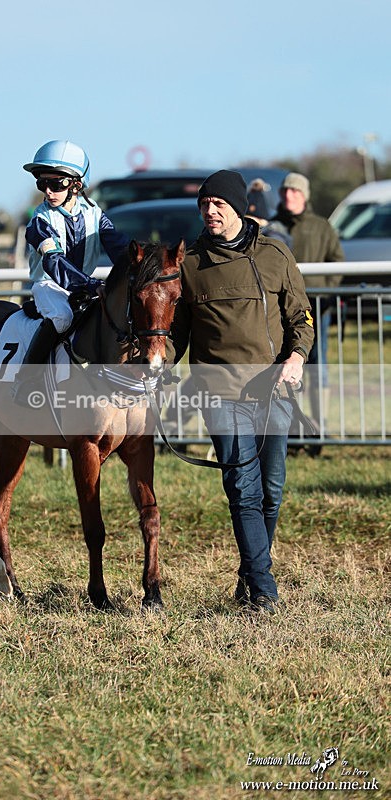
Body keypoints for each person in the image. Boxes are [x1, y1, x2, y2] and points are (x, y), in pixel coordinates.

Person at [170, 170, 314, 613]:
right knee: (243, 490)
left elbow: (301, 317)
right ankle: (265, 591)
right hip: (219, 393)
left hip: (274, 391)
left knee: (271, 490)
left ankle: (250, 573)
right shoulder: (189, 264)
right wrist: (153, 370)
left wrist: (297, 357)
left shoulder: (275, 254)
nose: (209, 211)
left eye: (218, 204)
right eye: (204, 204)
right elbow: (175, 335)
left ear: (239, 207)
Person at [12, 139, 128, 406]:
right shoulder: (39, 221)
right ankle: (27, 379)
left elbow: (119, 247)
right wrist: (90, 284)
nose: (48, 191)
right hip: (49, 286)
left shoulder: (95, 214)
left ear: (76, 184)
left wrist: (140, 265)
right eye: (42, 183)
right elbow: (54, 262)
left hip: (85, 286)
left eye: (56, 184)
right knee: (63, 317)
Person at [266, 173, 344, 438]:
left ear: (304, 196)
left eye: (295, 191)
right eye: (285, 190)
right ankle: (290, 426)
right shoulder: (272, 226)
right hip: (280, 311)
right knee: (284, 364)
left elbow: (337, 262)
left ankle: (319, 426)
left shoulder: (322, 227)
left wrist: (325, 292)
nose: (289, 195)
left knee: (317, 366)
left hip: (316, 308)